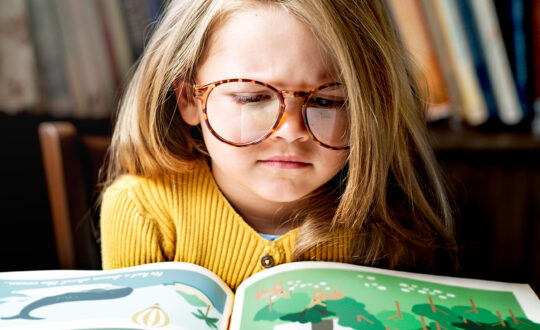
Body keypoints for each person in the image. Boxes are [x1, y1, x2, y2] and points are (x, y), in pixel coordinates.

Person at [100, 0, 457, 290]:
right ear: (188, 100)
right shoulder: (141, 212)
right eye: (252, 97)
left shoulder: (391, 225)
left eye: (327, 102)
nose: (291, 131)